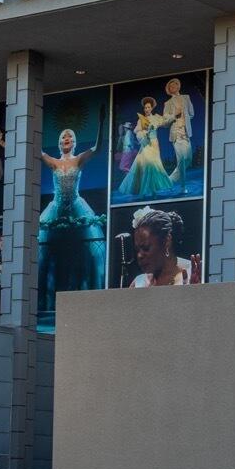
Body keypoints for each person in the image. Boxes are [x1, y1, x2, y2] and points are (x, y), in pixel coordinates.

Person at [37, 124, 107, 316]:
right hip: (56, 209)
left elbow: (97, 148)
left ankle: (88, 302)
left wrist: (101, 123)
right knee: (47, 255)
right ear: (59, 143)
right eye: (63, 137)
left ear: (74, 142)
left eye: (69, 137)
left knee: (87, 253)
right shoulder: (53, 162)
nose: (66, 139)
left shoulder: (78, 160)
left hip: (76, 207)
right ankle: (46, 303)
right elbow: (37, 151)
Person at [116, 97, 175, 200]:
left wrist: (173, 117)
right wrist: (145, 133)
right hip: (146, 145)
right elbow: (137, 132)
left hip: (154, 144)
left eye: (148, 107)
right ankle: (143, 192)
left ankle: (153, 191)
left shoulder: (156, 118)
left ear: (152, 108)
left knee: (153, 166)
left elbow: (165, 122)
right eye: (145, 107)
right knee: (148, 165)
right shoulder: (141, 120)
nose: (147, 109)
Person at [130, 206, 193, 287]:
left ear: (167, 241)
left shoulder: (192, 272)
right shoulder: (139, 283)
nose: (139, 256)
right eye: (137, 250)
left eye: (146, 248)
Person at [158, 77, 195, 182]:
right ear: (169, 90)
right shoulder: (168, 103)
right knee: (182, 160)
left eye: (174, 84)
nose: (172, 87)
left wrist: (184, 119)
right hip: (176, 133)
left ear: (178, 86)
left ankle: (169, 181)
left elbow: (191, 113)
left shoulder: (186, 97)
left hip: (186, 132)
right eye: (170, 86)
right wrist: (174, 115)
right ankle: (182, 186)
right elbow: (165, 122)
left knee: (188, 158)